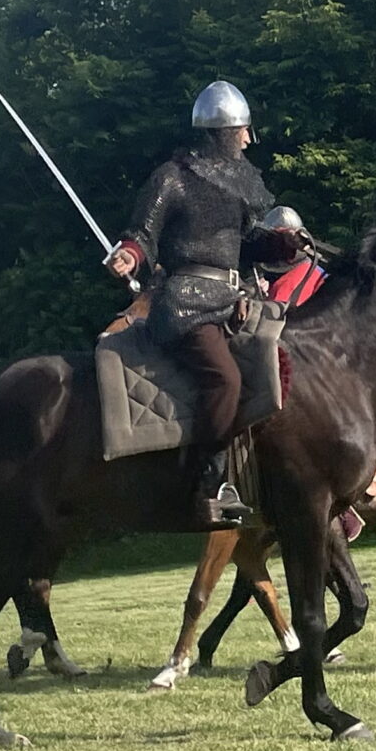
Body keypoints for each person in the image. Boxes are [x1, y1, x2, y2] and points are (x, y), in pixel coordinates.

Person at [106, 82, 277, 527]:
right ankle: (208, 484)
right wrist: (130, 255)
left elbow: (248, 242)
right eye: (243, 130)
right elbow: (142, 233)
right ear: (224, 132)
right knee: (225, 380)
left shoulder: (235, 185)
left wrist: (283, 245)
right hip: (185, 304)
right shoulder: (172, 177)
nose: (248, 139)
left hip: (231, 302)